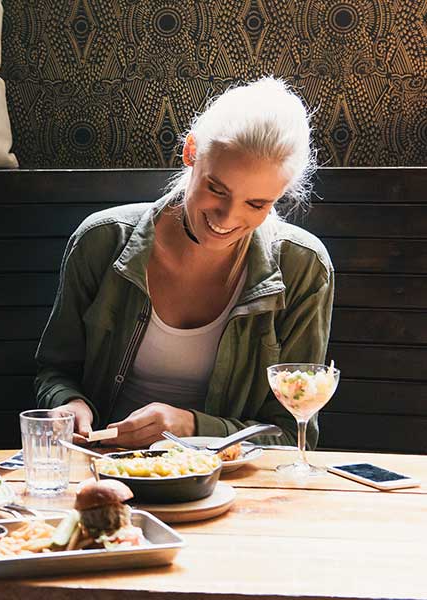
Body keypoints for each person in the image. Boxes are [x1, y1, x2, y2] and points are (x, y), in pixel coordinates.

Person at [35, 78, 332, 449]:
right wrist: (69, 404)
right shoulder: (101, 241)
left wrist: (192, 426)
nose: (227, 217)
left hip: (234, 486)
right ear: (191, 151)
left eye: (256, 204)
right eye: (216, 189)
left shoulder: (304, 267)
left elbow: (289, 433)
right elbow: (54, 371)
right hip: (106, 468)